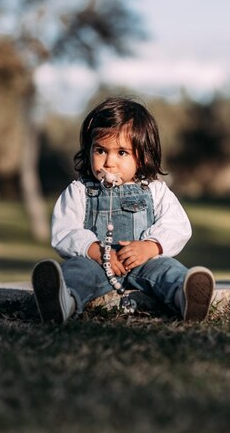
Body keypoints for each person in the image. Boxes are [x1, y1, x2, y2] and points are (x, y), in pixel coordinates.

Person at [31, 96, 215, 323]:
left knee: (168, 269)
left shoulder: (155, 190)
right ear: (88, 150)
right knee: (77, 271)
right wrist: (96, 251)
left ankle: (185, 297)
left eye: (122, 152)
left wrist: (150, 247)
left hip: (145, 265)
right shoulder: (79, 191)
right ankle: (63, 300)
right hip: (97, 265)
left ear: (143, 155)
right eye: (100, 150)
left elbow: (177, 226)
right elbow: (65, 230)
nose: (109, 162)